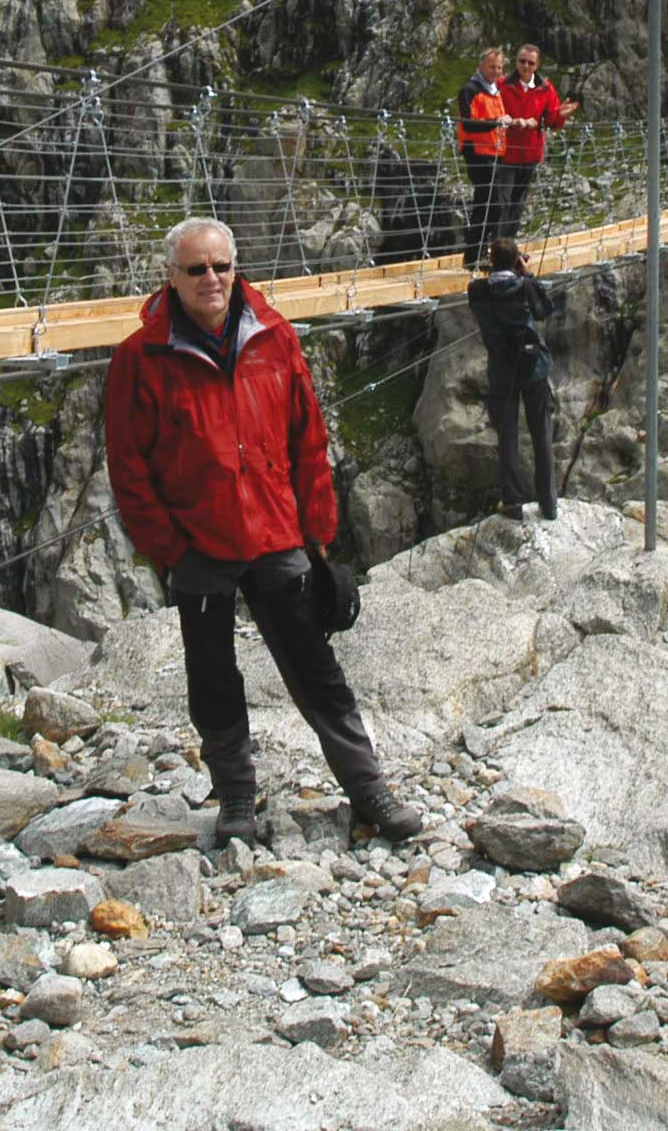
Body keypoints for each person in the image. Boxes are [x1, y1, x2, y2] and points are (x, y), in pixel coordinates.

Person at [103, 216, 424, 846]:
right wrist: (169, 548)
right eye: (197, 269)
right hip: (199, 545)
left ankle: (369, 790)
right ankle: (236, 799)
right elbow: (128, 466)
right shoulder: (139, 359)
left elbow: (309, 439)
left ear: (236, 267)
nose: (212, 280)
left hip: (276, 532)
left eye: (221, 266)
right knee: (212, 676)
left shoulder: (273, 337)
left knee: (317, 669)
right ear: (172, 277)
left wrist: (320, 537)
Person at [466, 239, 560, 521]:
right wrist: (527, 275)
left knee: (507, 435)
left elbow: (485, 291)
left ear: (491, 261)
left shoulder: (477, 291)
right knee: (540, 432)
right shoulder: (525, 286)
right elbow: (544, 310)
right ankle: (548, 503)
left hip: (501, 370)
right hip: (534, 367)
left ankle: (512, 501)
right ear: (517, 260)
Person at [492, 43, 571, 246]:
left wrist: (560, 116)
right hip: (506, 153)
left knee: (517, 203)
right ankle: (498, 245)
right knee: (502, 202)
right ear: (516, 61)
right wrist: (508, 119)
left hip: (530, 154)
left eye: (530, 62)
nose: (526, 66)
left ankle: (508, 246)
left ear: (537, 65)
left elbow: (552, 121)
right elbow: (493, 111)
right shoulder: (502, 85)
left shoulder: (545, 88)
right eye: (522, 61)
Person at [454, 47, 513, 261]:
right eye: (492, 67)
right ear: (481, 65)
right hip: (477, 152)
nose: (496, 71)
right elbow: (468, 124)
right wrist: (496, 122)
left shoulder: (494, 89)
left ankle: (476, 254)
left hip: (494, 152)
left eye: (499, 67)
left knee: (486, 204)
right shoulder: (470, 89)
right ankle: (475, 254)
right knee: (491, 205)